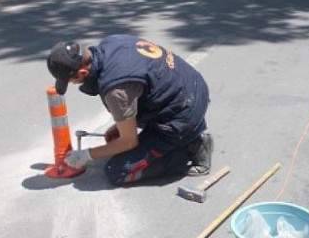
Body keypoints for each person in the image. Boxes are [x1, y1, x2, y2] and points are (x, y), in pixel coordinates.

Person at [46, 35, 213, 186]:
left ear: (82, 73)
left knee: (117, 171)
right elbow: (139, 86)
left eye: (72, 81)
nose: (75, 85)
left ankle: (191, 146)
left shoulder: (115, 89)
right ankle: (185, 134)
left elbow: (129, 142)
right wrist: (119, 126)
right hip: (192, 87)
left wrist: (87, 155)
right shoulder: (113, 42)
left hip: (184, 113)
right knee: (121, 134)